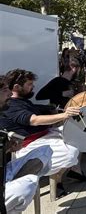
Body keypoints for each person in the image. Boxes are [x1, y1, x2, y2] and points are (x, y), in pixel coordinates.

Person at [0, 69, 83, 198]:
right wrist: (64, 115)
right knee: (71, 152)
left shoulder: (20, 101)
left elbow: (35, 108)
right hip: (31, 144)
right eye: (29, 84)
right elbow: (34, 120)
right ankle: (58, 178)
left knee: (78, 134)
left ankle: (67, 172)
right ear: (17, 87)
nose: (32, 87)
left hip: (45, 135)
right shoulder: (11, 105)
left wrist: (53, 109)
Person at [0, 75, 53, 213]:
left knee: (45, 151)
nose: (10, 93)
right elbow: (33, 120)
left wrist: (7, 147)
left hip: (5, 171)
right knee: (26, 186)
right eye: (5, 90)